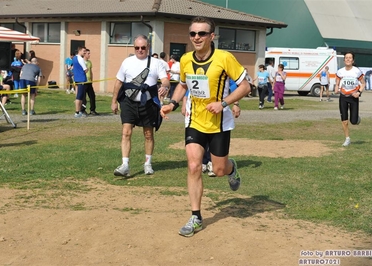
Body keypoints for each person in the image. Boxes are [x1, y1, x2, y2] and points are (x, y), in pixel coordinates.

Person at [160, 16, 250, 237]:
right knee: (194, 166)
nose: (196, 38)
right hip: (195, 120)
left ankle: (231, 168)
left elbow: (246, 86)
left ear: (212, 36)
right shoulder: (185, 59)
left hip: (219, 123)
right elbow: (182, 84)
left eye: (201, 33)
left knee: (218, 170)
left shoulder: (224, 58)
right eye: (193, 33)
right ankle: (196, 217)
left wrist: (224, 103)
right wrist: (172, 103)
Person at [111, 35, 170, 176]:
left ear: (148, 47)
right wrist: (114, 101)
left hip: (148, 103)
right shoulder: (127, 62)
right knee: (126, 132)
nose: (140, 50)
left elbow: (165, 80)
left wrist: (164, 87)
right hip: (128, 102)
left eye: (143, 47)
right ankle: (125, 165)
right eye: (137, 47)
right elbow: (118, 82)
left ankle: (147, 163)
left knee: (148, 134)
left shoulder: (156, 63)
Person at [334, 52, 365, 147]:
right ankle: (347, 139)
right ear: (344, 60)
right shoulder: (340, 71)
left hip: (353, 97)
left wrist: (359, 92)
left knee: (353, 121)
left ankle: (356, 119)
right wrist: (336, 88)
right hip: (343, 97)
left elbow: (363, 83)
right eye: (346, 58)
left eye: (350, 58)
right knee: (344, 120)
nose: (348, 59)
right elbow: (337, 82)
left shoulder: (357, 71)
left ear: (353, 60)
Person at [81, 49, 99, 115]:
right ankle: (82, 110)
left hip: (89, 82)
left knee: (92, 96)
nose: (89, 55)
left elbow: (90, 72)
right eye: (88, 53)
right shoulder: (81, 62)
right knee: (83, 97)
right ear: (84, 54)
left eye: (89, 53)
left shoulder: (89, 62)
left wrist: (91, 80)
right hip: (83, 82)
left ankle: (92, 110)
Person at [72, 46, 88, 118]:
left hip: (76, 78)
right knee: (79, 96)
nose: (84, 52)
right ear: (80, 51)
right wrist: (86, 69)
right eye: (84, 51)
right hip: (81, 79)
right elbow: (85, 69)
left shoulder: (74, 58)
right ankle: (77, 112)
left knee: (79, 96)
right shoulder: (81, 59)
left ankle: (80, 111)